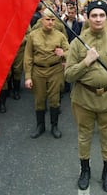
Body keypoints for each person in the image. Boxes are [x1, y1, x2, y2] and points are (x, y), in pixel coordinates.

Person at [65, 0, 107, 192]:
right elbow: (69, 75)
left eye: (101, 15)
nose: (97, 19)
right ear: (88, 17)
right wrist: (85, 62)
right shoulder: (77, 43)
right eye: (94, 15)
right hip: (83, 99)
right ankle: (85, 170)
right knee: (84, 136)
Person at [24, 8, 69, 139]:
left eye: (53, 20)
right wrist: (27, 76)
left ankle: (54, 126)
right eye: (47, 19)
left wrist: (63, 54)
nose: (50, 22)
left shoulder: (60, 36)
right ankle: (40, 126)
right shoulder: (33, 35)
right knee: (39, 99)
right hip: (38, 71)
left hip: (55, 70)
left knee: (55, 100)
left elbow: (70, 50)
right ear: (42, 20)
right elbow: (28, 57)